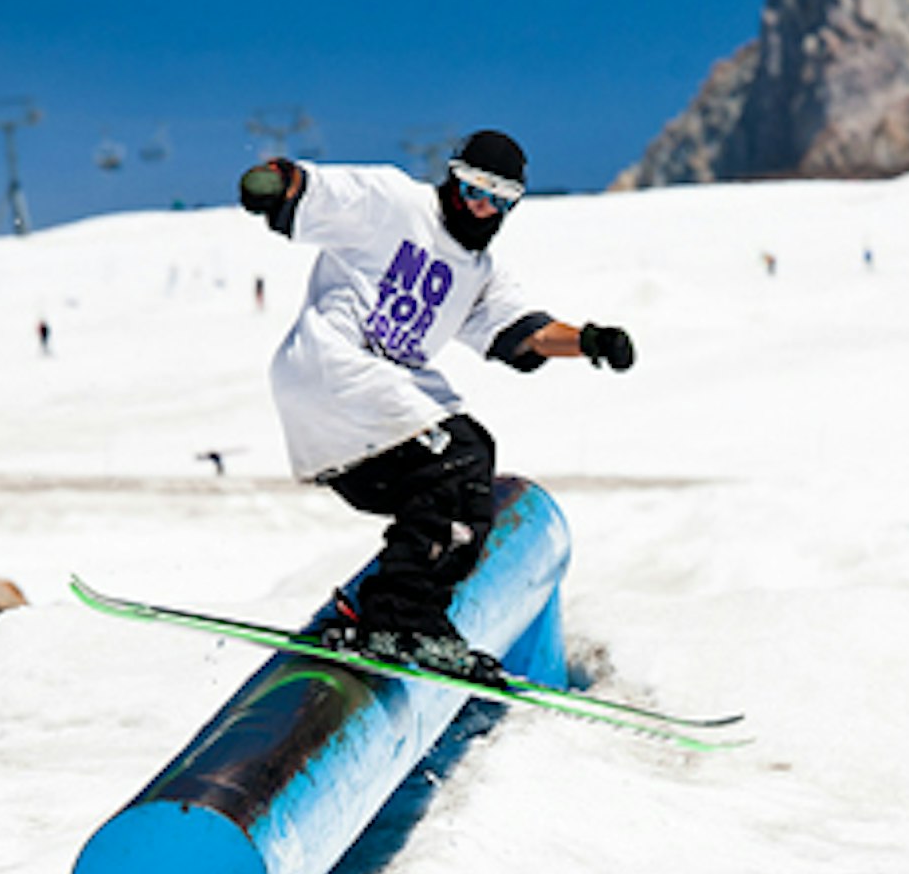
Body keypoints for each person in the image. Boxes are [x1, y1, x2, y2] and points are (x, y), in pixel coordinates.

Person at [239, 129, 636, 685]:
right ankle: (398, 615)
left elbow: (522, 332)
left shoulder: (479, 273)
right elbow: (322, 192)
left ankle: (401, 612)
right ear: (452, 177)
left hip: (360, 415)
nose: (482, 208)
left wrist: (589, 340)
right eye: (474, 189)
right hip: (334, 368)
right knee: (459, 454)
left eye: (500, 200)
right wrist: (280, 184)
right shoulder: (397, 204)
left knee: (463, 485)